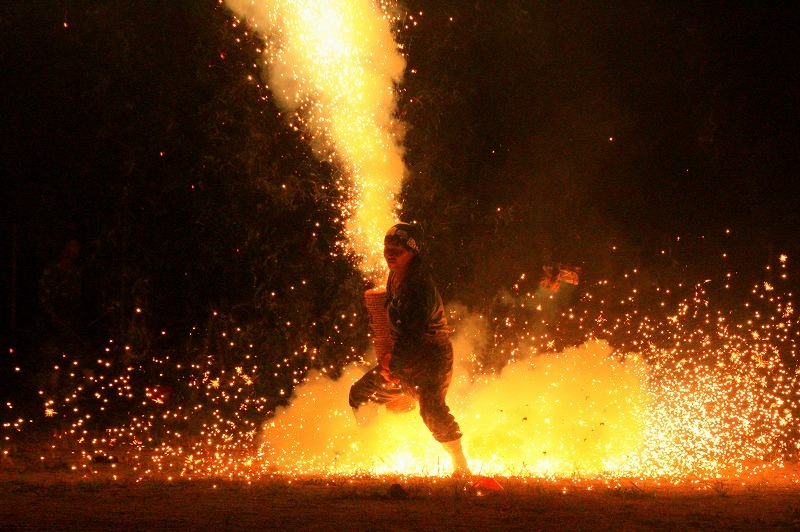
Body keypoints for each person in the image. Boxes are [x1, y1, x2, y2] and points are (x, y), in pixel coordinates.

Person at [349, 223, 470, 476]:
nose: (390, 254)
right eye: (387, 248)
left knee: (432, 409)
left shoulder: (417, 287)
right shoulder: (396, 274)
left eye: (398, 250)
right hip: (404, 355)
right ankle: (369, 452)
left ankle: (462, 468)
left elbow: (412, 338)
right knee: (360, 394)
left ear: (413, 252)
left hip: (431, 357)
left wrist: (393, 366)